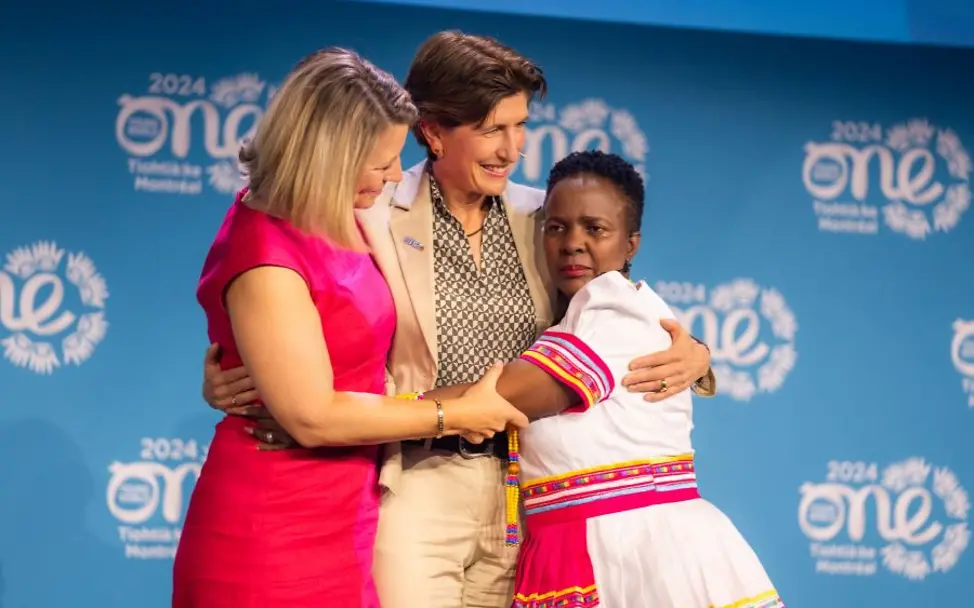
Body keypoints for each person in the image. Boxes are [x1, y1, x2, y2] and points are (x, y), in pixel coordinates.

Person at [200, 31, 717, 608]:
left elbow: (615, 299)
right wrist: (237, 375)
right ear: (433, 131)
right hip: (416, 482)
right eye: (493, 129)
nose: (511, 148)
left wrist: (696, 353)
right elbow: (292, 297)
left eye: (520, 127)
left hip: (526, 492)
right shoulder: (369, 212)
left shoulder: (544, 217)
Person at [171, 47, 528, 608]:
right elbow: (312, 415)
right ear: (326, 157)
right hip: (273, 526)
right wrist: (452, 413)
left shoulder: (336, 215)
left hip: (349, 512)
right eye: (380, 162)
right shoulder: (266, 249)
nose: (393, 176)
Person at [455, 150, 779, 608]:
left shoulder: (614, 311)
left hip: (636, 556)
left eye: (596, 229)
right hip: (584, 545)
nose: (572, 243)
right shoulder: (587, 315)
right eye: (556, 227)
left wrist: (380, 408)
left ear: (631, 245)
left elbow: (506, 394)